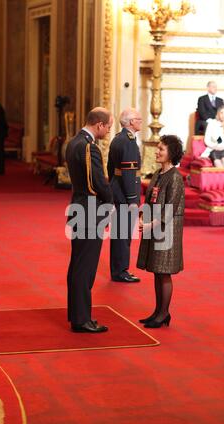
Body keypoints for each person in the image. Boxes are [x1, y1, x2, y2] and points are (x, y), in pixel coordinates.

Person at [66, 107, 114, 333]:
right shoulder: (89, 147)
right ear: (99, 125)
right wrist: (111, 201)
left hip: (77, 209)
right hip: (90, 213)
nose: (108, 132)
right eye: (108, 127)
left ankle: (77, 315)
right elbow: (98, 182)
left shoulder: (73, 142)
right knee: (85, 269)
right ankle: (82, 319)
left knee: (77, 266)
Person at [137, 135, 185, 329]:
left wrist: (149, 225)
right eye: (157, 148)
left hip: (167, 229)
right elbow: (150, 199)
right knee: (157, 270)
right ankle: (158, 312)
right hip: (155, 225)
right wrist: (142, 213)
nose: (156, 151)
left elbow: (170, 208)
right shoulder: (157, 173)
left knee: (164, 272)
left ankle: (164, 313)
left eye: (161, 149)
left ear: (171, 154)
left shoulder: (175, 177)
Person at [107, 108, 142, 283]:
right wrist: (132, 199)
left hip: (117, 190)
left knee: (119, 233)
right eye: (138, 119)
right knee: (123, 234)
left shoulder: (118, 139)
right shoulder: (127, 141)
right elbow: (129, 173)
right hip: (125, 193)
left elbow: (110, 169)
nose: (141, 120)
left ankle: (118, 269)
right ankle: (120, 271)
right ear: (130, 122)